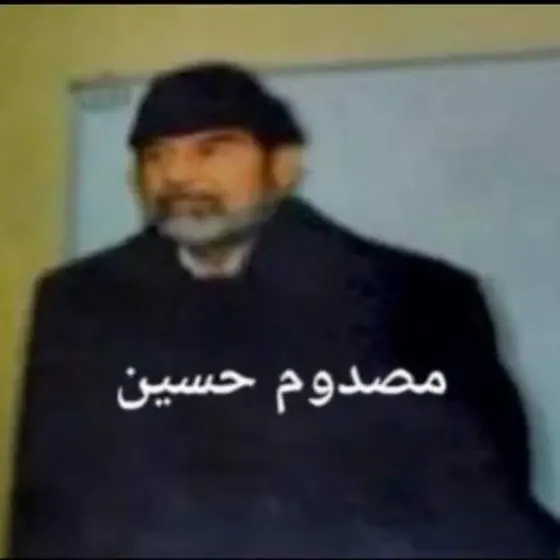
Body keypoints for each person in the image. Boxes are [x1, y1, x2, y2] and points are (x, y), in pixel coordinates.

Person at [7, 61, 558, 557]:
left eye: (212, 150)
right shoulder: (79, 302)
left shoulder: (418, 298)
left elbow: (479, 498)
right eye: (157, 156)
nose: (176, 176)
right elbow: (48, 502)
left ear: (284, 167)